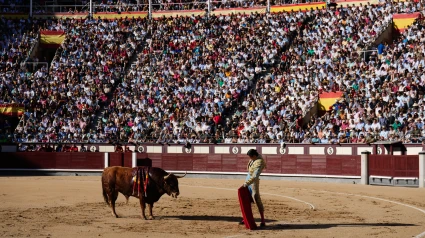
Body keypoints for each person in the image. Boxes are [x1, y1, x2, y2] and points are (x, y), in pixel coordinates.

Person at [240, 149, 267, 227]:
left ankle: (262, 220)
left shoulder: (260, 162)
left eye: (251, 157)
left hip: (253, 182)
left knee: (256, 198)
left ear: (254, 156)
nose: (250, 159)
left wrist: (246, 184)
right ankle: (246, 218)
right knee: (246, 199)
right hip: (248, 178)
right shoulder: (254, 159)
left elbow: (255, 177)